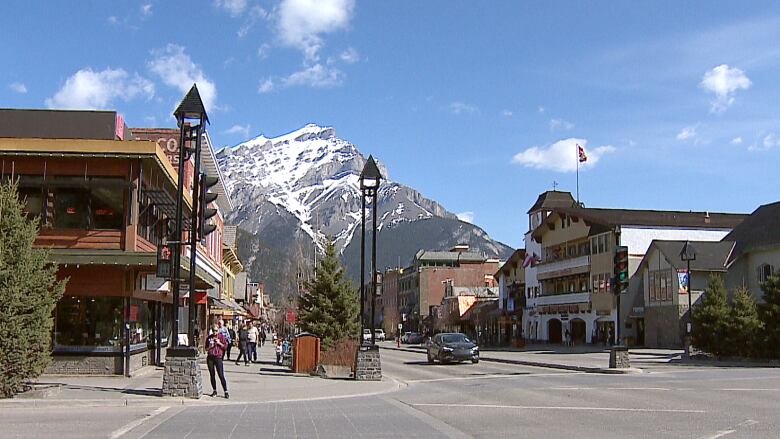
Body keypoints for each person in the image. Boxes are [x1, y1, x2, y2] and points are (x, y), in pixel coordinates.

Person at [205, 322, 229, 399]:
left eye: (216, 330)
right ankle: (214, 390)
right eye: (213, 330)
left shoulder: (221, 337)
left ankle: (225, 391)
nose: (215, 332)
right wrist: (210, 346)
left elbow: (225, 347)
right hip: (210, 357)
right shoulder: (209, 338)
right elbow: (205, 349)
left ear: (218, 330)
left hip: (218, 357)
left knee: (221, 375)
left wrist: (219, 343)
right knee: (212, 375)